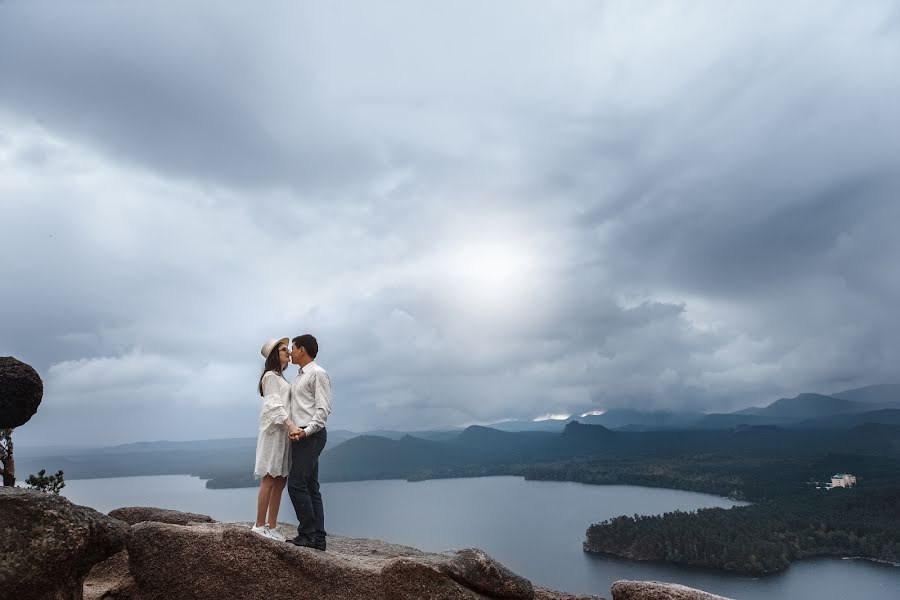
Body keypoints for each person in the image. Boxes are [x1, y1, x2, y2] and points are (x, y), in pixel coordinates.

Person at [251, 337, 302, 542]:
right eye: (284, 350)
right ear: (275, 355)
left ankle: (272, 526)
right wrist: (290, 424)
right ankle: (259, 525)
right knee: (270, 477)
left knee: (280, 480)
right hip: (275, 432)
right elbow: (273, 405)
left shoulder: (280, 378)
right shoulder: (271, 376)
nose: (288, 352)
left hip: (283, 434)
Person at [286, 333, 332, 550]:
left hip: (310, 435)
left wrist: (306, 432)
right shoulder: (299, 376)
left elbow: (323, 410)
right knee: (311, 487)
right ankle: (318, 539)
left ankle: (307, 534)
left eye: (292, 348)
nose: (290, 352)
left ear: (302, 350)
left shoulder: (317, 374)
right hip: (302, 434)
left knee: (296, 484)